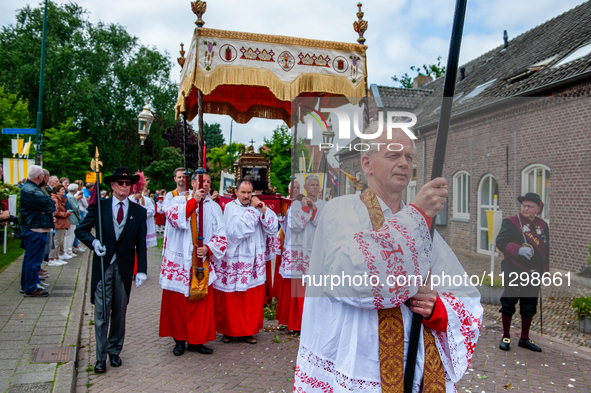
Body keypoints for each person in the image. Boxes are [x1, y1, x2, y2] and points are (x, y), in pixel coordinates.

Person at [294, 126, 483, 392]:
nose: (404, 162)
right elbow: (351, 280)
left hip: (416, 364)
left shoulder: (423, 228)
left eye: (409, 157)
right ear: (367, 163)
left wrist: (436, 307)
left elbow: (465, 295)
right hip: (361, 365)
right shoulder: (342, 211)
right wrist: (417, 214)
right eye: (393, 154)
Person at [75, 167, 148, 374]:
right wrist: (94, 241)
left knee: (119, 312)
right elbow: (81, 230)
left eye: (127, 183)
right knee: (101, 313)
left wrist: (141, 269)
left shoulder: (139, 212)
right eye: (119, 183)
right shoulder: (100, 207)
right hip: (103, 264)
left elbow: (140, 244)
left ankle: (114, 351)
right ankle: (100, 357)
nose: (124, 186)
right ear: (112, 185)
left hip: (124, 269)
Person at [159, 171, 227, 356]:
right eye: (200, 182)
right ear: (193, 184)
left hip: (200, 262)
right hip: (180, 261)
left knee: (200, 304)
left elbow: (222, 234)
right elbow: (174, 219)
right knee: (179, 304)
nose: (203, 185)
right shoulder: (178, 200)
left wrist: (209, 248)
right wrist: (193, 201)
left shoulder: (213, 207)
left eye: (207, 182)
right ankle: (179, 340)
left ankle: (197, 341)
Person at [214, 178, 278, 344]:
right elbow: (238, 232)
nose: (246, 196)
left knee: (251, 299)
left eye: (249, 192)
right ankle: (229, 331)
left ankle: (248, 331)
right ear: (236, 192)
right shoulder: (230, 208)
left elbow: (272, 228)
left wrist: (262, 209)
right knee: (232, 298)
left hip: (254, 260)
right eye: (243, 192)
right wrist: (253, 211)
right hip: (235, 259)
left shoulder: (257, 207)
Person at [496, 192, 548, 353]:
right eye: (524, 205)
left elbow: (546, 250)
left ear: (537, 209)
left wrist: (545, 271)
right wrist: (518, 250)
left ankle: (524, 338)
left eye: (530, 206)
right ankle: (506, 337)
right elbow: (500, 242)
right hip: (514, 267)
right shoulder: (511, 222)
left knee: (529, 304)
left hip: (534, 272)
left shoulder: (543, 226)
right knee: (509, 302)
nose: (526, 209)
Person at [275, 176, 324, 333]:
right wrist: (305, 208)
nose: (315, 187)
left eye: (317, 185)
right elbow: (295, 226)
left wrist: (314, 209)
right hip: (299, 250)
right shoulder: (296, 204)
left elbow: (320, 223)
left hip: (315, 249)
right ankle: (296, 323)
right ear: (305, 187)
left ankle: (312, 322)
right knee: (298, 290)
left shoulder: (324, 204)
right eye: (312, 185)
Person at [19, 165, 55, 297]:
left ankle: (27, 285)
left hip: (33, 226)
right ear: (40, 176)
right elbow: (50, 205)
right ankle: (30, 287)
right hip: (35, 228)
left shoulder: (29, 188)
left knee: (30, 258)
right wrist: (48, 206)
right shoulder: (33, 190)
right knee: (34, 259)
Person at [128, 173, 157, 249]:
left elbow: (152, 211)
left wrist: (141, 211)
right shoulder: (130, 199)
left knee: (143, 248)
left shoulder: (147, 200)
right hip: (132, 226)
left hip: (144, 225)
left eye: (140, 190)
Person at [48, 184, 71, 266]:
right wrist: (66, 214)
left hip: (61, 223)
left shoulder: (60, 199)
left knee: (60, 240)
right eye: (62, 190)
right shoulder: (56, 200)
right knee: (56, 241)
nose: (64, 191)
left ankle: (57, 257)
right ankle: (52, 258)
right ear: (57, 191)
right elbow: (56, 212)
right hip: (59, 223)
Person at [65, 184, 81, 257]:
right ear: (75, 190)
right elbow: (75, 208)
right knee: (70, 235)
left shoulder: (69, 196)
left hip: (71, 217)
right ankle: (68, 250)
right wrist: (79, 216)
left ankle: (68, 249)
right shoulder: (71, 197)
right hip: (72, 218)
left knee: (69, 235)